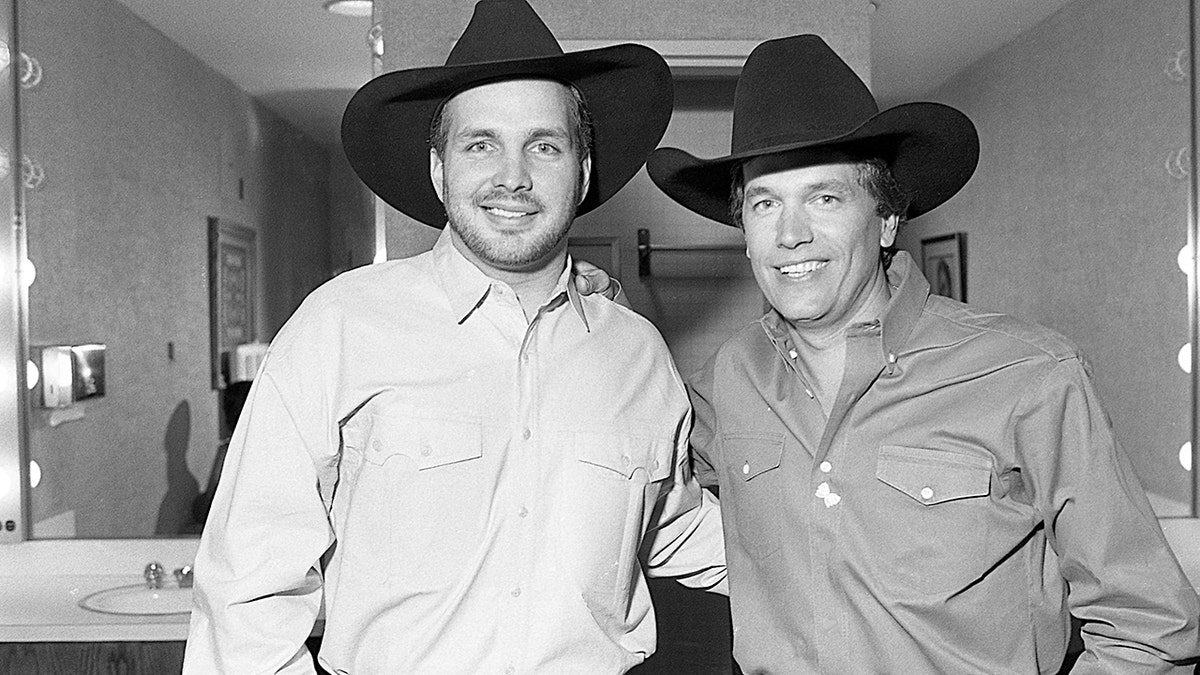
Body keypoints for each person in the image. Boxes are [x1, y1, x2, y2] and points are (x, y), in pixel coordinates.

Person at [182, 1, 725, 672]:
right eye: (481, 143)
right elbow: (245, 589)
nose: (513, 176)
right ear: (440, 170)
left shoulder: (638, 354)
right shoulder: (340, 327)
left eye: (544, 145)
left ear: (581, 176)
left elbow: (673, 524)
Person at [639, 35, 1200, 673]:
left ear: (884, 221)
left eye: (825, 198)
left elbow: (1148, 626)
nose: (791, 234)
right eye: (766, 204)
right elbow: (615, 463)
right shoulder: (726, 381)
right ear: (745, 233)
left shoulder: (1028, 376)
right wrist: (584, 311)